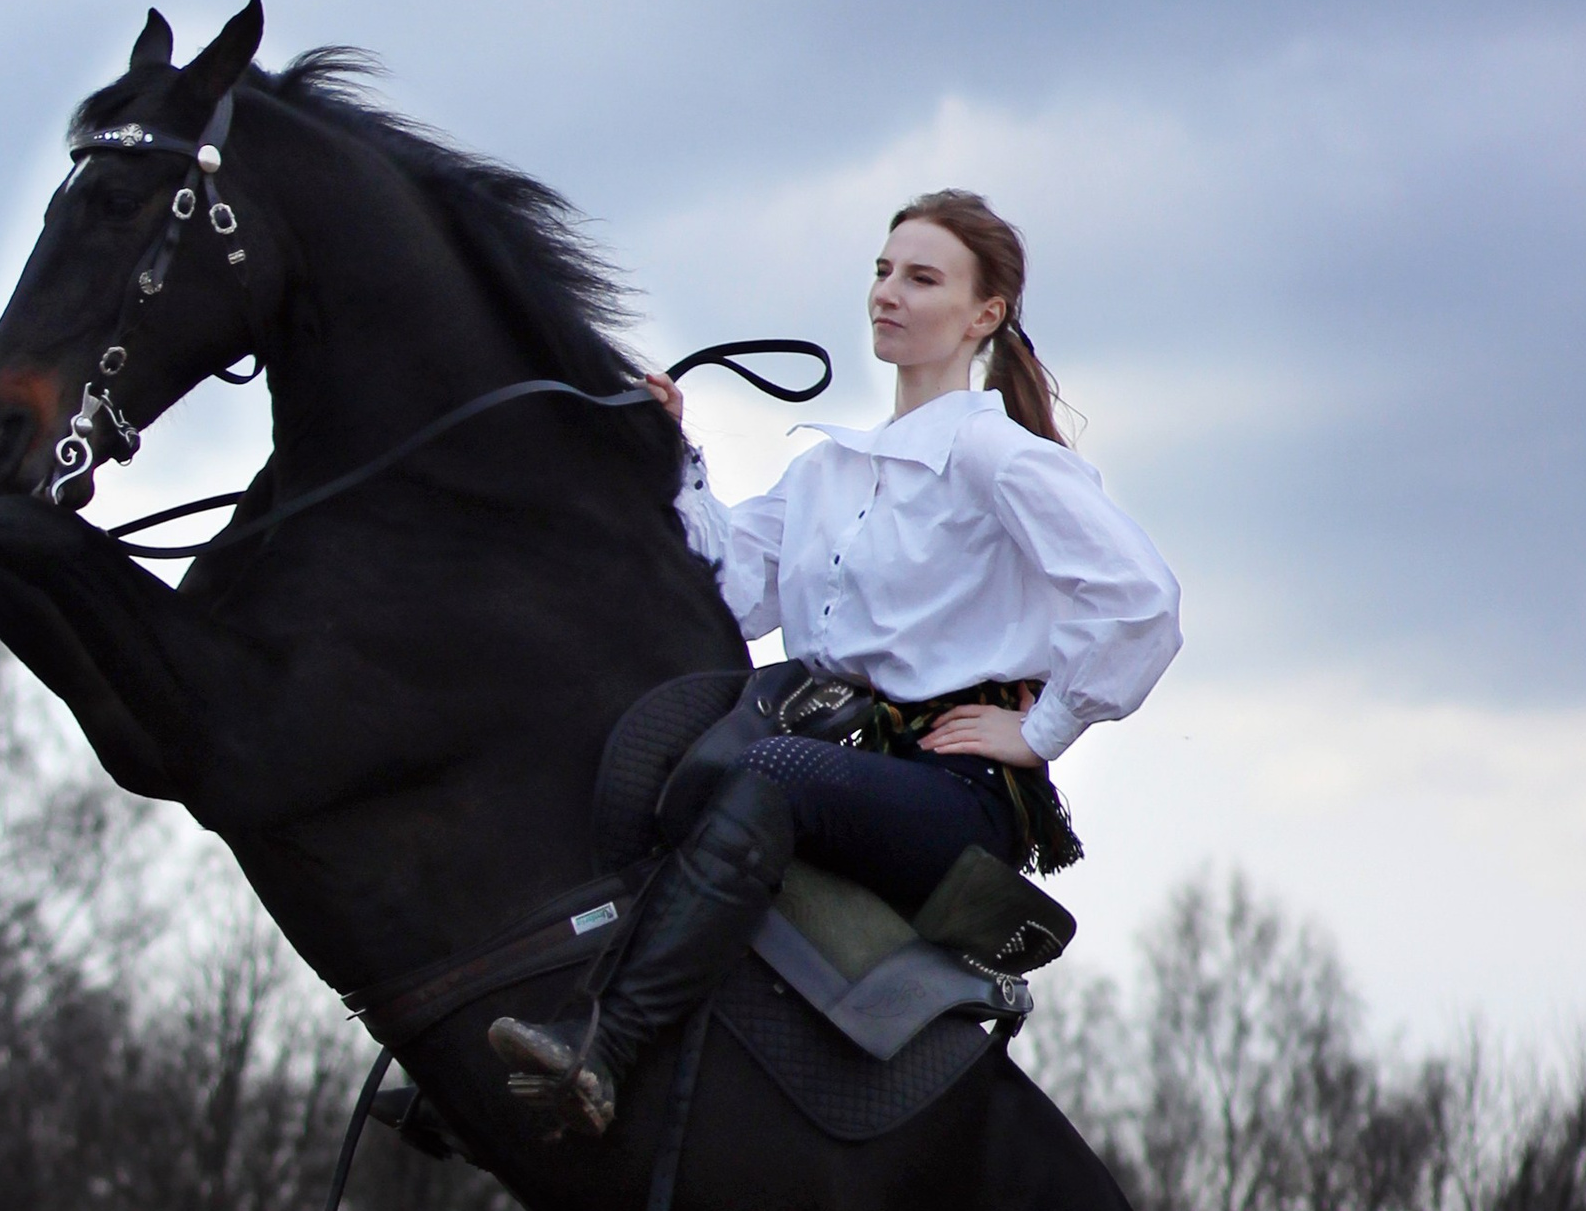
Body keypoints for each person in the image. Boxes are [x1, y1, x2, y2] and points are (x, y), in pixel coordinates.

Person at [490, 188, 1181, 1135]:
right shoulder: (826, 471)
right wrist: (669, 455)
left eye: (922, 278)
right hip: (826, 752)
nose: (888, 293)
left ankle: (603, 1050)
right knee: (651, 758)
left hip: (951, 788)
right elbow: (734, 592)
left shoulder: (994, 454)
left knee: (770, 776)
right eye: (883, 271)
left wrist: (1042, 729)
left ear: (985, 315)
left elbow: (1141, 599)